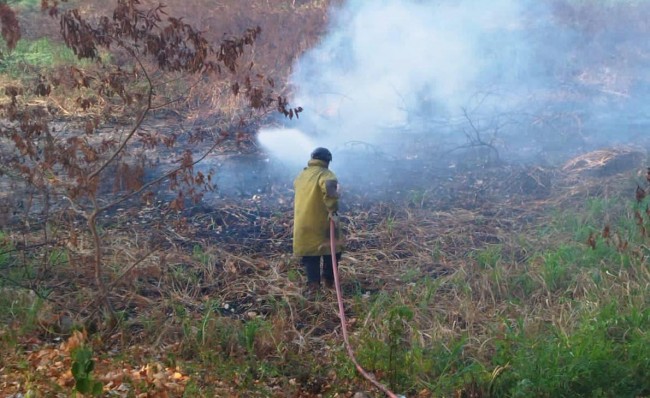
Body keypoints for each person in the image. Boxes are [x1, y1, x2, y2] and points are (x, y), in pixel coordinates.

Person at [293, 147, 343, 296]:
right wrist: (333, 208)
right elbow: (330, 194)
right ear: (328, 161)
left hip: (303, 222)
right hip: (322, 222)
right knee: (331, 252)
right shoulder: (327, 175)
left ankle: (313, 286)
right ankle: (329, 283)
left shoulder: (302, 174)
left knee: (310, 255)